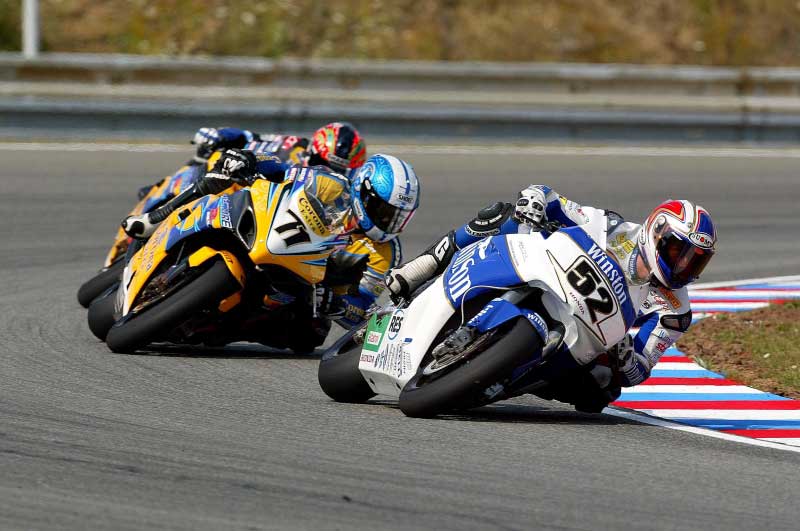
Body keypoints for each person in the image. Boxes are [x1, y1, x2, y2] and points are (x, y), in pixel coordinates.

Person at [385, 186, 716, 411]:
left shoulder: (676, 312)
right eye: (679, 252)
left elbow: (639, 371)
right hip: (548, 278)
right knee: (502, 215)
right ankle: (421, 268)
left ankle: (508, 376)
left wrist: (628, 358)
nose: (683, 267)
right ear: (657, 232)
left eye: (695, 262)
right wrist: (535, 199)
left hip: (587, 340)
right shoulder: (612, 228)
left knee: (603, 389)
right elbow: (554, 199)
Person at [123, 149, 420, 352]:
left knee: (308, 336)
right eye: (385, 212)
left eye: (399, 218)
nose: (390, 223)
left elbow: (362, 307)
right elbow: (281, 170)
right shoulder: (330, 184)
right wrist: (251, 159)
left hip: (306, 288)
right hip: (269, 236)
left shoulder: (386, 252)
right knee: (222, 180)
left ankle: (213, 327)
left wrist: (338, 304)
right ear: (364, 193)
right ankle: (154, 220)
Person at [190, 121, 367, 176]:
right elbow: (248, 137)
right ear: (313, 152)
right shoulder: (292, 146)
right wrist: (220, 135)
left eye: (339, 171)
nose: (330, 172)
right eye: (325, 163)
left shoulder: (339, 192)